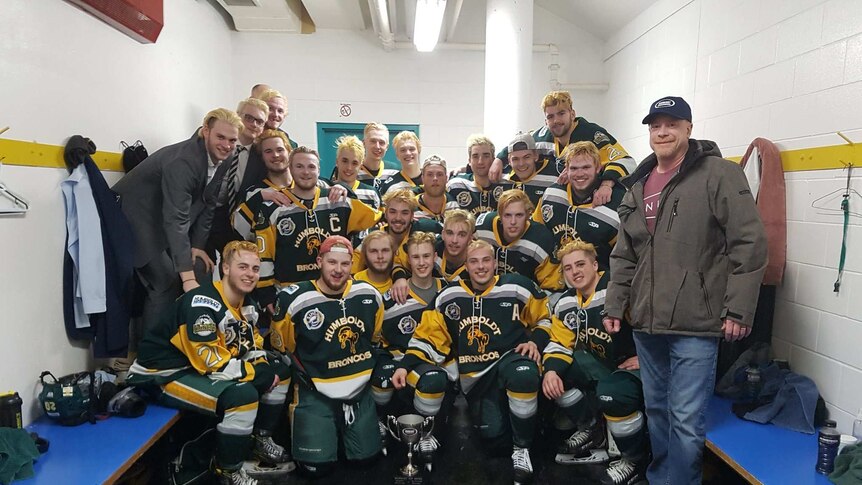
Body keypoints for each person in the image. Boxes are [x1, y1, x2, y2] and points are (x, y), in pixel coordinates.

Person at [604, 96, 767, 485]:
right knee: (657, 409)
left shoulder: (718, 174)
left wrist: (738, 310)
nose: (662, 131)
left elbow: (750, 242)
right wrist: (615, 303)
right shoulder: (638, 185)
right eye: (655, 125)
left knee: (687, 417)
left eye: (672, 124)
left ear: (688, 129)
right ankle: (663, 478)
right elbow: (626, 253)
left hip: (698, 321)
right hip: (647, 321)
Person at [126, 241, 292, 485]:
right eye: (242, 267)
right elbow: (210, 362)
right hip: (164, 373)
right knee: (242, 395)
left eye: (255, 269)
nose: (250, 274)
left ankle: (259, 440)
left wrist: (264, 366)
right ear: (226, 268)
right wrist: (255, 373)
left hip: (195, 366)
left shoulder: (247, 302)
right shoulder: (202, 304)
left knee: (281, 369)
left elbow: (251, 344)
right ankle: (227, 470)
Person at [393, 240, 551, 484]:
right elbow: (428, 336)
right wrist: (404, 365)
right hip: (476, 380)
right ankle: (508, 429)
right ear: (466, 265)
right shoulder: (449, 296)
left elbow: (545, 319)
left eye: (486, 260)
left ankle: (523, 448)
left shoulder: (519, 287)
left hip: (510, 361)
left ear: (495, 263)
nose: (480, 267)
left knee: (523, 374)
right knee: (493, 441)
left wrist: (536, 342)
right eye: (474, 261)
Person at [113, 108, 242, 341]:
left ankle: (185, 343)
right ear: (205, 131)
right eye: (220, 137)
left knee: (199, 265)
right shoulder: (183, 161)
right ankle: (149, 356)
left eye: (232, 140)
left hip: (163, 217)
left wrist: (197, 246)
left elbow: (209, 202)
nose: (226, 144)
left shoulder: (227, 157)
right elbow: (176, 218)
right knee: (164, 280)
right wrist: (187, 278)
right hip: (134, 216)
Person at [269, 236, 384, 478]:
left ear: (352, 264)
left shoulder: (369, 294)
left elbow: (374, 338)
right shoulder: (294, 299)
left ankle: (352, 430)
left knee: (366, 461)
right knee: (316, 469)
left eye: (344, 264)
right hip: (315, 389)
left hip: (359, 390)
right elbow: (283, 346)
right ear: (319, 261)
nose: (338, 270)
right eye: (332, 262)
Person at [542, 240, 648, 484]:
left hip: (635, 366)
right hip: (603, 363)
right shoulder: (566, 302)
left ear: (595, 264)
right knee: (553, 374)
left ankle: (633, 461)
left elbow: (652, 320)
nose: (575, 272)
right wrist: (551, 372)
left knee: (612, 394)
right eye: (568, 268)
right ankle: (592, 429)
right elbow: (560, 342)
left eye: (580, 264)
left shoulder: (617, 287)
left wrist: (646, 356)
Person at [246, 146, 380, 306]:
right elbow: (264, 255)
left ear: (319, 170)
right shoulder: (273, 207)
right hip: (290, 295)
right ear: (290, 168)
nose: (306, 172)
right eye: (299, 166)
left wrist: (346, 190)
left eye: (311, 167)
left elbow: (376, 221)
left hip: (334, 292)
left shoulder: (338, 201)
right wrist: (266, 294)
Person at [371, 231, 448, 463]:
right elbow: (375, 338)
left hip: (436, 364)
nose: (422, 262)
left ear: (435, 256)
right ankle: (379, 419)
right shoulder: (391, 297)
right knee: (382, 374)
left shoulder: (450, 291)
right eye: (416, 257)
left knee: (433, 379)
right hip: (400, 363)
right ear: (408, 260)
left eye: (426, 256)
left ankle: (426, 431)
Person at [492, 91, 636, 207]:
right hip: (563, 200)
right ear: (545, 121)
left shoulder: (591, 133)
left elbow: (626, 161)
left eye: (561, 114)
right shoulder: (544, 135)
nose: (556, 121)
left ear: (572, 114)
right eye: (550, 116)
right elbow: (521, 143)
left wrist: (606, 184)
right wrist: (499, 158)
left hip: (594, 201)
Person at [533, 141, 624, 270]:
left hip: (598, 282)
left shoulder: (616, 204)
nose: (580, 174)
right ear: (566, 169)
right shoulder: (552, 194)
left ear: (598, 168)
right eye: (574, 168)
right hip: (554, 280)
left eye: (586, 167)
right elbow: (535, 232)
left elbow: (624, 257)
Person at [206, 98, 271, 268]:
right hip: (203, 215)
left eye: (260, 121)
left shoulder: (262, 156)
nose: (254, 124)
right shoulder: (216, 143)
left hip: (235, 221)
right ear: (238, 116)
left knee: (235, 268)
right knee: (203, 267)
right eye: (249, 118)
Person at [475, 189, 562, 291]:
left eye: (519, 215)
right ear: (500, 216)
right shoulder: (482, 228)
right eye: (507, 215)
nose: (513, 222)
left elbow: (552, 289)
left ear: (528, 215)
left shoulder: (541, 239)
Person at [447, 134, 512, 215]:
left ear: (493, 160)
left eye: (486, 156)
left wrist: (501, 160)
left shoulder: (507, 184)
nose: (480, 161)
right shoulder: (456, 185)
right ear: (469, 161)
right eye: (475, 156)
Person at [504, 133, 560, 207]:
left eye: (526, 157)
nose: (521, 164)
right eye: (515, 159)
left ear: (536, 156)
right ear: (509, 161)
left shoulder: (555, 176)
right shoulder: (500, 177)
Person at [332, 134, 381, 210]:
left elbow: (382, 220)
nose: (349, 167)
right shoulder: (326, 190)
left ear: (360, 165)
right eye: (345, 161)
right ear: (337, 161)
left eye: (354, 163)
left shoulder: (371, 194)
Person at [413, 155, 458, 223]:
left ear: (446, 178)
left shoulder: (455, 205)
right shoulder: (411, 207)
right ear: (423, 179)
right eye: (430, 174)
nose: (435, 179)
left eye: (439, 174)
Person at [434, 209, 475, 282]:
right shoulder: (432, 247)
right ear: (443, 234)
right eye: (450, 233)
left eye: (462, 235)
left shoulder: (477, 260)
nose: (454, 240)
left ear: (470, 239)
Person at [377, 131, 423, 196]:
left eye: (412, 149)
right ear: (397, 155)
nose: (408, 153)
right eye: (403, 150)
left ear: (419, 150)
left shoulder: (430, 180)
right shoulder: (390, 186)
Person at [354, 230, 395, 295]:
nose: (380, 256)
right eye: (373, 251)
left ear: (393, 253)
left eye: (385, 250)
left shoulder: (402, 285)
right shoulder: (352, 284)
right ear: (365, 255)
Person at [358, 122, 398, 189]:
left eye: (382, 142)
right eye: (373, 141)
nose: (377, 146)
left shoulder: (395, 171)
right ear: (364, 143)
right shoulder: (352, 170)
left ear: (387, 147)